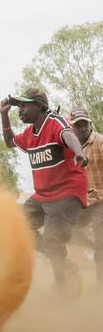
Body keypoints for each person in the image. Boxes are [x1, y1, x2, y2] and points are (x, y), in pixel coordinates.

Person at [1, 89, 88, 294]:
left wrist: (80, 152)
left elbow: (68, 134)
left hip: (68, 192)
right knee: (18, 227)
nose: (19, 110)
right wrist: (4, 114)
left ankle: (64, 287)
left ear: (38, 106)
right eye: (18, 106)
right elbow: (8, 142)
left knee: (52, 238)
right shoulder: (30, 134)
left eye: (23, 105)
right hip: (43, 196)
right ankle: (64, 265)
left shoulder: (54, 121)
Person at [69, 108, 103, 285]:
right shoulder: (70, 146)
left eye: (85, 124)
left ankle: (100, 287)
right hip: (82, 202)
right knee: (67, 230)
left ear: (90, 124)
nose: (82, 128)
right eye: (78, 125)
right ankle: (94, 248)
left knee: (100, 233)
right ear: (72, 128)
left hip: (101, 200)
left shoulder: (100, 142)